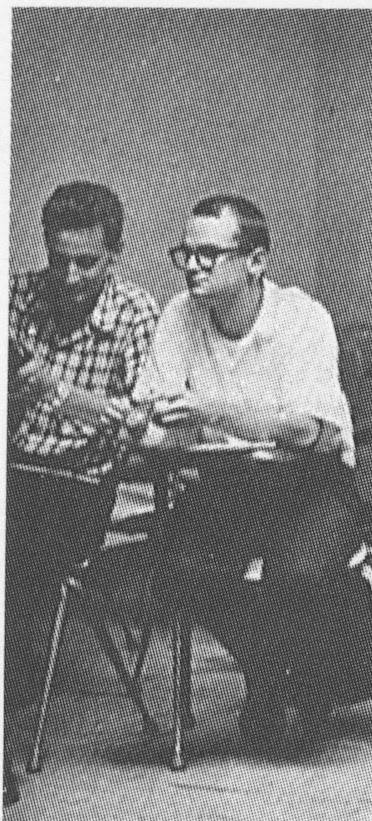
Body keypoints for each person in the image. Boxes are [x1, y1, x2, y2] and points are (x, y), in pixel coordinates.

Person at [136, 195, 361, 748]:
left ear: (256, 261)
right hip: (228, 484)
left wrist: (212, 412)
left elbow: (310, 432)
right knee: (174, 570)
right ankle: (270, 672)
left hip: (311, 483)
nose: (192, 266)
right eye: (185, 253)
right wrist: (149, 425)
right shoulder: (179, 314)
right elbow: (153, 410)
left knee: (297, 578)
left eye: (208, 254)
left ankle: (296, 681)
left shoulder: (300, 318)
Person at [7, 181, 159, 710]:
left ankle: (12, 684)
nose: (70, 277)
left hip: (81, 485)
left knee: (18, 552)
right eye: (59, 260)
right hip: (13, 465)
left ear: (115, 255)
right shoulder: (18, 295)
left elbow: (142, 424)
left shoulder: (136, 313)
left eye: (86, 263)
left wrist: (60, 392)